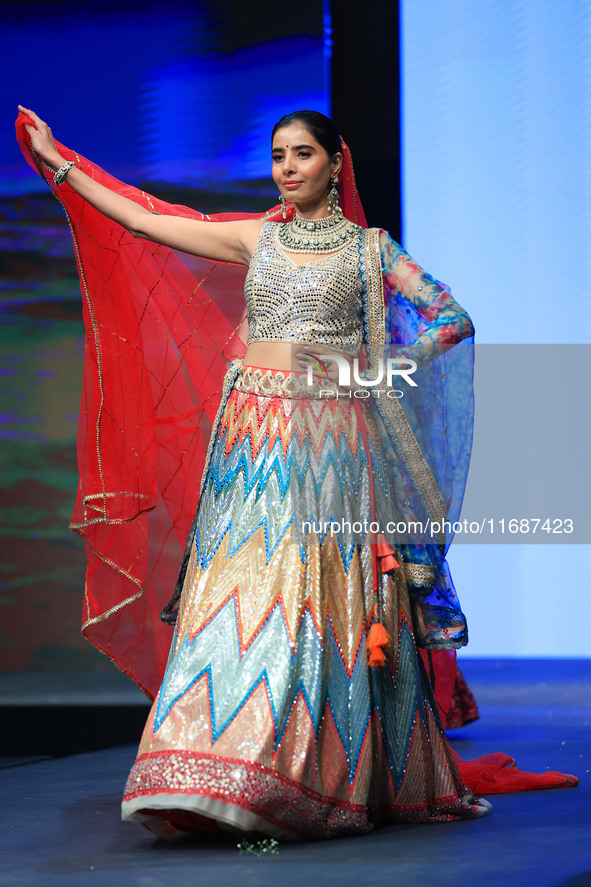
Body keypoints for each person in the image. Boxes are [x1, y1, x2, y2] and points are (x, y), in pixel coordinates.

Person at [16, 106, 577, 841]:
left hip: (331, 439)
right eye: (278, 154)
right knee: (235, 593)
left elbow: (450, 317)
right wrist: (61, 166)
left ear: (333, 164)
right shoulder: (257, 236)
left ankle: (302, 773)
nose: (286, 167)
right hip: (248, 438)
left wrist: (377, 367)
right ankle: (207, 765)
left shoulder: (372, 251)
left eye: (301, 153)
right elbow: (149, 221)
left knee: (312, 601)